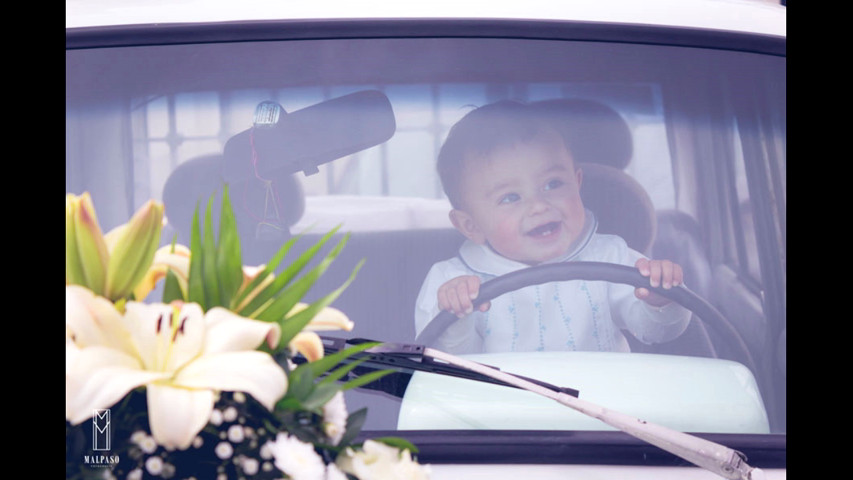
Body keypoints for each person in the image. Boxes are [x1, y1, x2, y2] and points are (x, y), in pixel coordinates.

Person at [414, 100, 690, 354]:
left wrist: (660, 300)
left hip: (603, 404)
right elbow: (447, 365)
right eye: (510, 197)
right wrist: (456, 314)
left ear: (577, 183)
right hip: (503, 407)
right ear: (471, 226)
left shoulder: (611, 256)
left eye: (553, 184)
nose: (539, 206)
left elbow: (657, 332)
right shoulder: (451, 281)